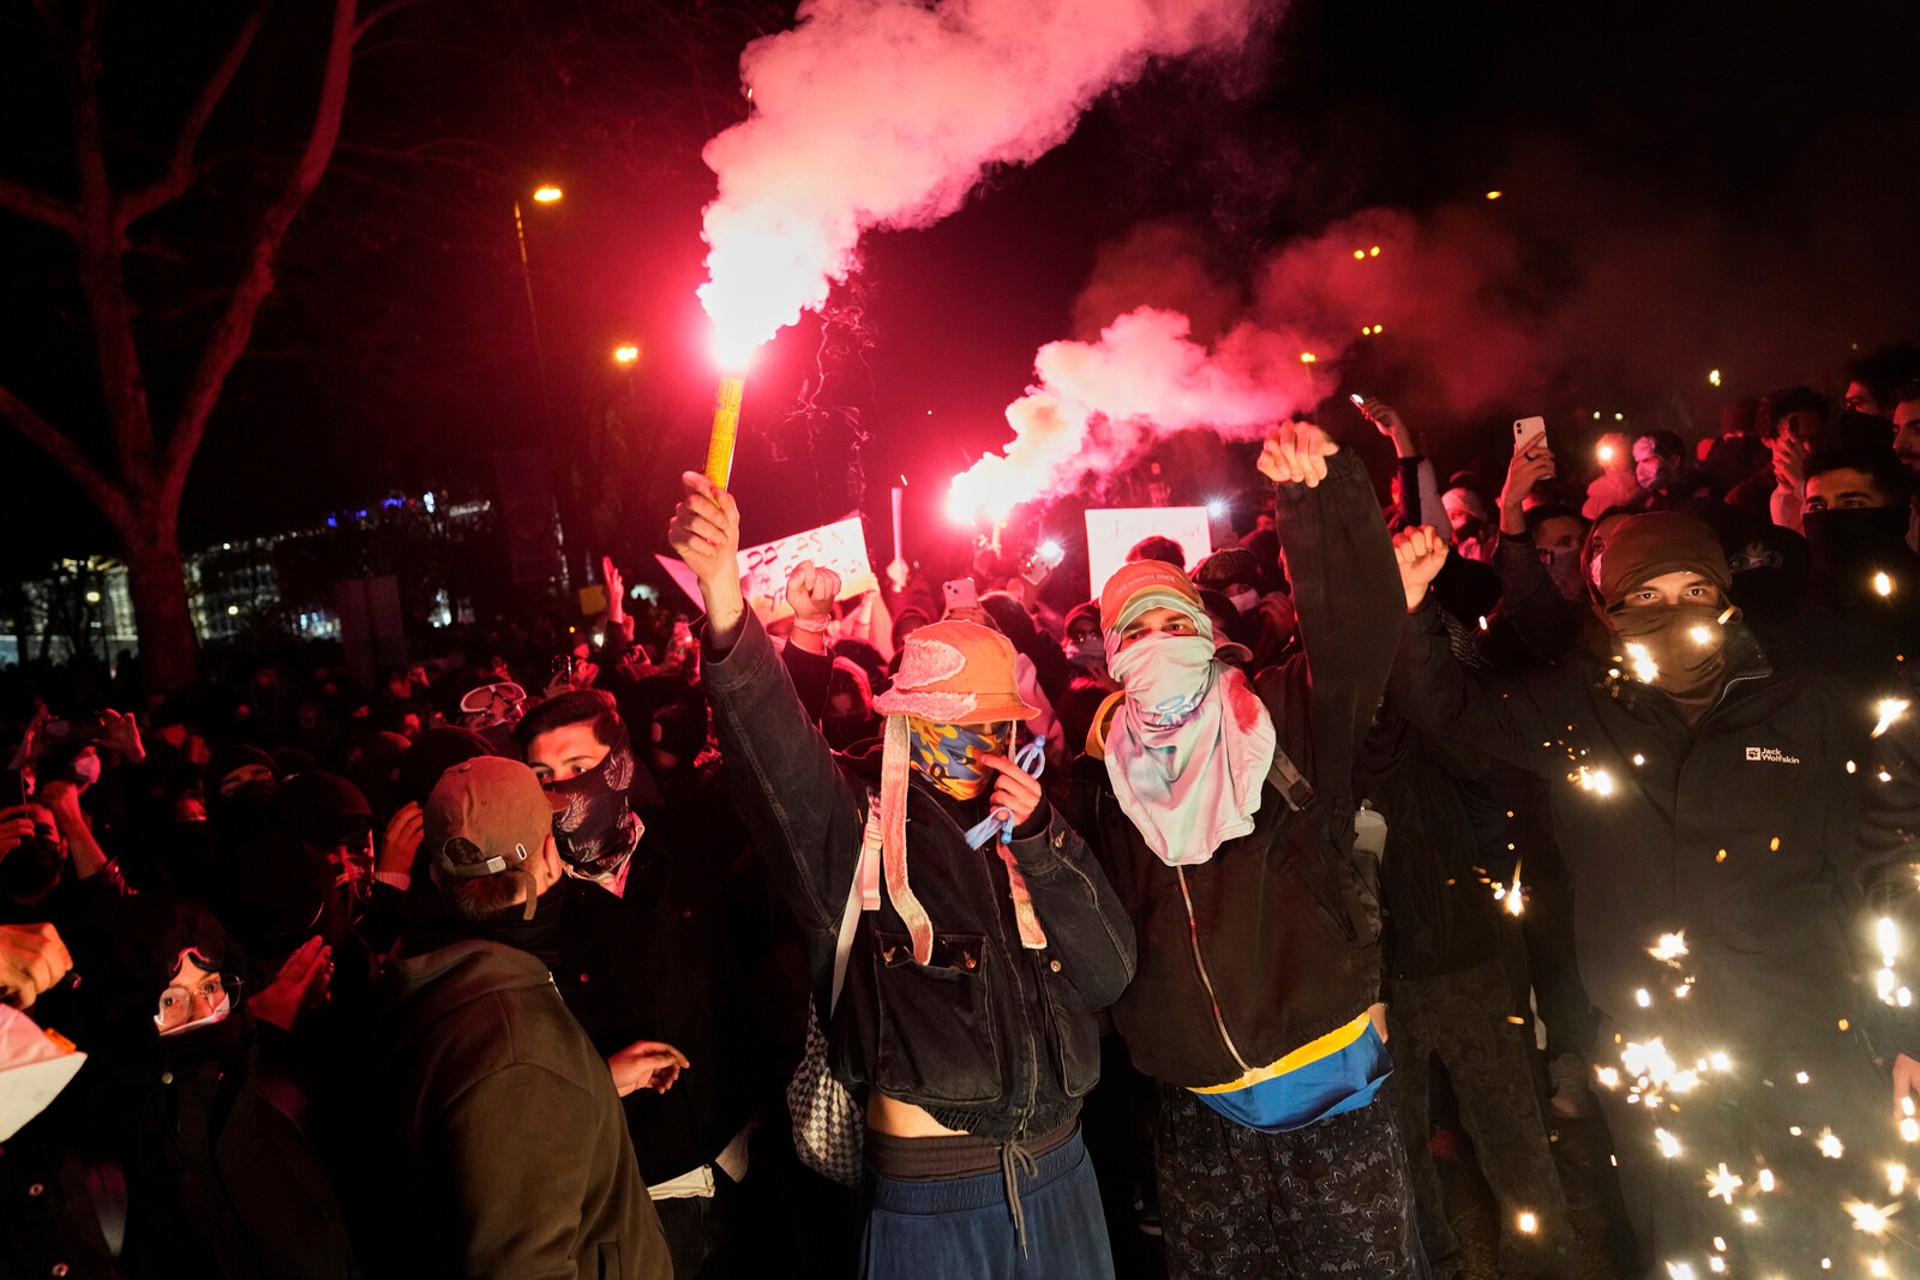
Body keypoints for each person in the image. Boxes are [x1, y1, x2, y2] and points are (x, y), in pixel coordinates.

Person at [1390, 512, 1918, 1276]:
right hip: (1654, 1046)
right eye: (1648, 594)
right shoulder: (1580, 704)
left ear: (1726, 598)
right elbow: (1447, 706)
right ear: (1608, 609)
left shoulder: (1807, 705)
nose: (1676, 610)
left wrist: (1903, 1025)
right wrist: (1408, 609)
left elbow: (1872, 872)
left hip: (1807, 1031)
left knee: (1829, 1238)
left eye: (1696, 588)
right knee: (1683, 1243)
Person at [670, 471, 1136, 1280]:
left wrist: (1042, 840)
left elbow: (1109, 971)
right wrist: (724, 600)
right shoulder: (854, 825)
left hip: (1062, 1171)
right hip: (935, 1201)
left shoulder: (1031, 816)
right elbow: (772, 751)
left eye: (995, 722)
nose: (980, 740)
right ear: (904, 719)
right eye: (953, 723)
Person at [1068, 422, 1424, 1278]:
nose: (1158, 638)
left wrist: (1313, 498)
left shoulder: (1286, 716)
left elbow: (1359, 630)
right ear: (1114, 655)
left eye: (1173, 618)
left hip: (1331, 1088)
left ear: (1205, 625)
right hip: (1200, 1114)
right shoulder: (1098, 783)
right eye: (1135, 628)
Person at [374, 757, 671, 1279]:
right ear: (551, 857)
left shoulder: (449, 975)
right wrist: (542, 1073)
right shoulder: (516, 1047)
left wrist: (586, 1082)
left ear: (437, 876)